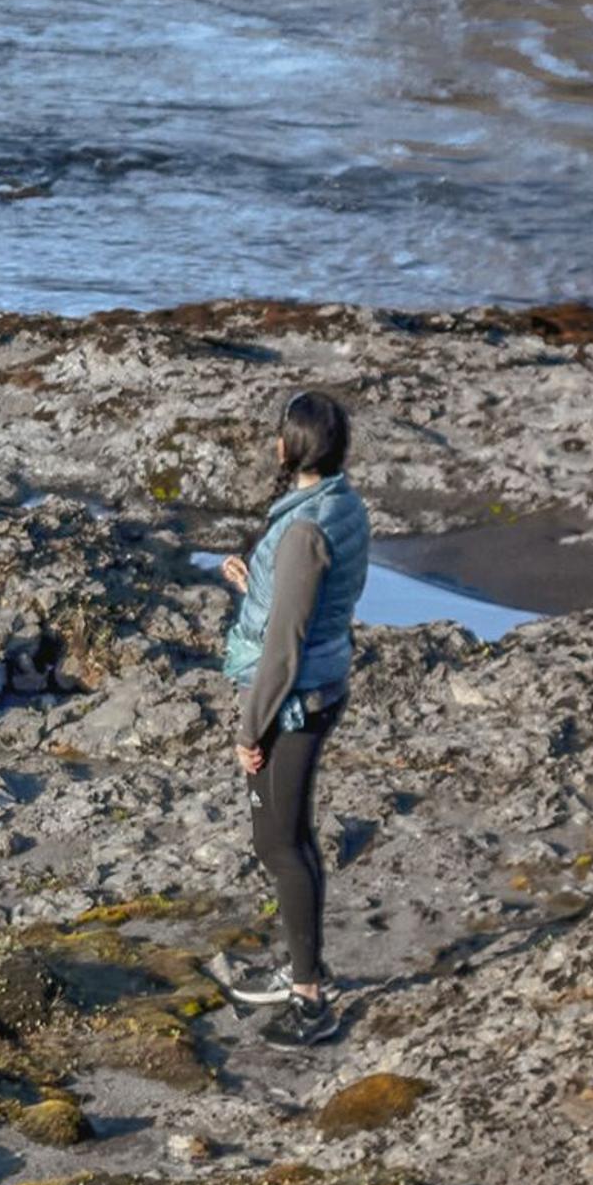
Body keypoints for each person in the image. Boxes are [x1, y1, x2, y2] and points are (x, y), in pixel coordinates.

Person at [207, 389, 370, 1047]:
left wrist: (251, 730)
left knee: (278, 844)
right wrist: (257, 585)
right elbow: (309, 599)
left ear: (289, 446)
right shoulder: (340, 504)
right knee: (293, 837)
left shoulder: (302, 528)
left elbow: (284, 646)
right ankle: (306, 966)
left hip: (295, 700)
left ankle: (311, 1002)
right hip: (319, 683)